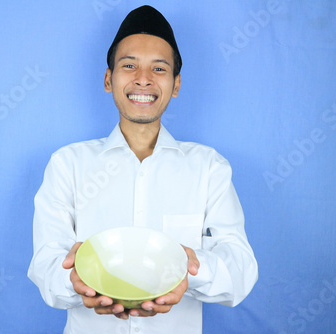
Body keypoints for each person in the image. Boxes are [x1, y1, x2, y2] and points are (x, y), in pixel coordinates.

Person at [28, 5, 258, 334]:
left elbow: (242, 272)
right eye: (129, 65)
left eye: (159, 69)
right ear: (109, 79)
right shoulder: (68, 164)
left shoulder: (209, 169)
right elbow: (46, 265)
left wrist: (190, 267)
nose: (143, 79)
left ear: (176, 84)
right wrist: (73, 278)